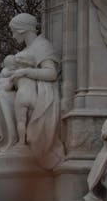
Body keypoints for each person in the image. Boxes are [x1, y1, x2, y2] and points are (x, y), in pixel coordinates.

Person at [6, 13, 65, 170]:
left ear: (22, 30)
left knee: (0, 100)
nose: (13, 36)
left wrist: (25, 72)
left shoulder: (42, 46)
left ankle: (19, 143)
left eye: (14, 31)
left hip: (41, 92)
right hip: (28, 90)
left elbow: (51, 74)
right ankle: (5, 145)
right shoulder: (27, 49)